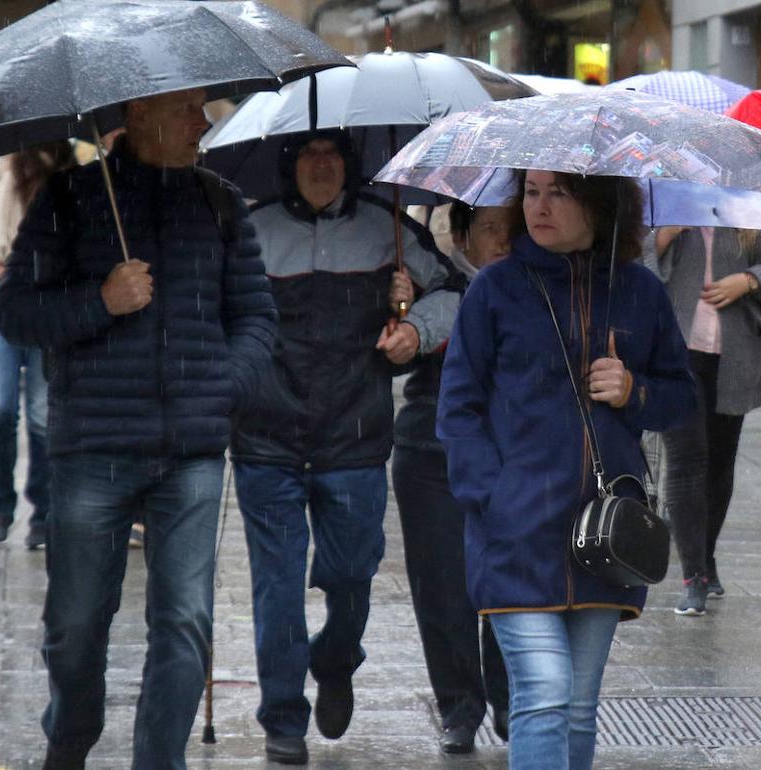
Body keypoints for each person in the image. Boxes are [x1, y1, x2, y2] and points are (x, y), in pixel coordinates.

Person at [0, 88, 278, 770]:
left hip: (192, 453)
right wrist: (102, 299)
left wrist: (221, 388)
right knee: (75, 626)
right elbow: (17, 314)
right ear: (141, 116)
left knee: (184, 623)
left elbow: (257, 319)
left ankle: (160, 760)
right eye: (187, 110)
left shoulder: (220, 203)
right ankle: (72, 732)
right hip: (93, 447)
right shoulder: (68, 200)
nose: (201, 124)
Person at [438, 170, 695, 770]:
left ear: (600, 205)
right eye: (530, 191)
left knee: (578, 705)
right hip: (516, 533)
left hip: (604, 536)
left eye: (559, 192)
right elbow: (458, 408)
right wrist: (491, 496)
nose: (539, 206)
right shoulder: (495, 290)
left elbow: (680, 396)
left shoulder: (639, 292)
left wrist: (634, 390)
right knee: (545, 694)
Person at [230, 130, 459, 765]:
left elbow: (453, 295)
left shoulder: (389, 231)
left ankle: (336, 661)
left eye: (334, 152)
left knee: (351, 574)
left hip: (354, 438)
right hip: (265, 439)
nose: (322, 164)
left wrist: (414, 323)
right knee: (275, 587)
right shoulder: (250, 232)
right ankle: (282, 718)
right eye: (308, 152)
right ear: (287, 162)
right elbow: (221, 311)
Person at [393, 202, 514, 754]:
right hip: (430, 454)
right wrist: (400, 306)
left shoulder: (533, 291)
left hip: (510, 457)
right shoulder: (430, 284)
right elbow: (395, 356)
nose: (504, 241)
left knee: (510, 581)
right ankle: (459, 706)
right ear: (461, 237)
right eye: (491, 229)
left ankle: (512, 700)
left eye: (510, 229)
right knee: (442, 586)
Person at [654, 226, 761, 616]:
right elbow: (634, 264)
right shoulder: (667, 208)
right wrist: (663, 238)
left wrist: (746, 281)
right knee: (685, 462)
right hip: (675, 356)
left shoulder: (748, 217)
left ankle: (706, 555)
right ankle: (692, 575)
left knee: (719, 462)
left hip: (734, 356)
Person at [0, 141, 73, 549]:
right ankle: (1, 505)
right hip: (1, 306)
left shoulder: (68, 174)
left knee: (40, 415)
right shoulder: (2, 169)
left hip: (46, 309)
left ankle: (42, 511)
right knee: (0, 410)